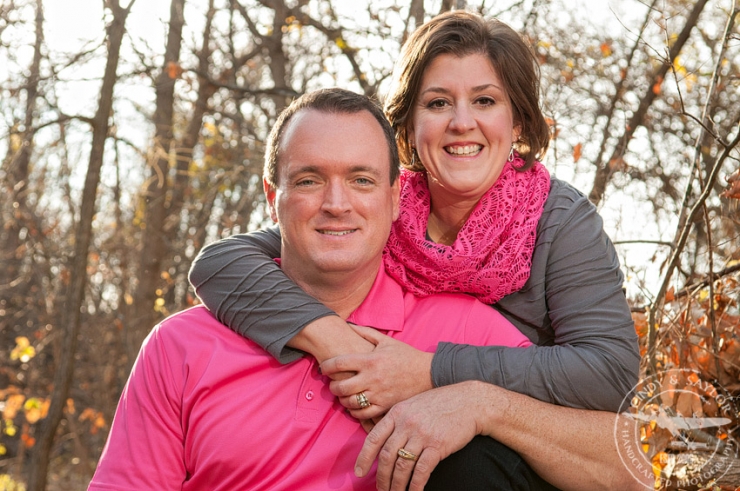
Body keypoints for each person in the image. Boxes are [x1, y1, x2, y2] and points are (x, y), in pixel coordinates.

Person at [188, 12, 645, 491]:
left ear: (518, 122)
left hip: (535, 456)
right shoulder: (378, 207)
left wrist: (438, 375)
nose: (461, 123)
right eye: (438, 102)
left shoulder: (558, 218)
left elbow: (609, 374)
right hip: (410, 449)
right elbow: (224, 264)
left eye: (485, 101)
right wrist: (333, 342)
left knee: (467, 462)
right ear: (407, 125)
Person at [88, 88, 540, 490]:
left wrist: (483, 404)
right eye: (309, 180)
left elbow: (603, 450)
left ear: (396, 196)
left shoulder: (467, 329)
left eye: (361, 180)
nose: (336, 204)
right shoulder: (180, 346)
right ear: (272, 196)